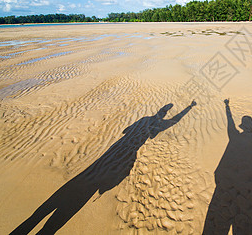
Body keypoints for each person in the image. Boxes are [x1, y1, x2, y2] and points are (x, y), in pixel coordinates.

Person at [11, 101, 196, 235]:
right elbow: (175, 121)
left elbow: (125, 131)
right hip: (120, 159)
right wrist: (189, 107)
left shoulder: (145, 119)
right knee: (69, 208)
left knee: (44, 210)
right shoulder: (155, 125)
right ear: (163, 115)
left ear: (159, 111)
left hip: (108, 156)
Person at [203, 99, 252, 235]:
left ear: (243, 127)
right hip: (246, 191)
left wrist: (227, 106)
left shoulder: (235, 136)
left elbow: (230, 121)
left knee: (214, 227)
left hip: (225, 187)